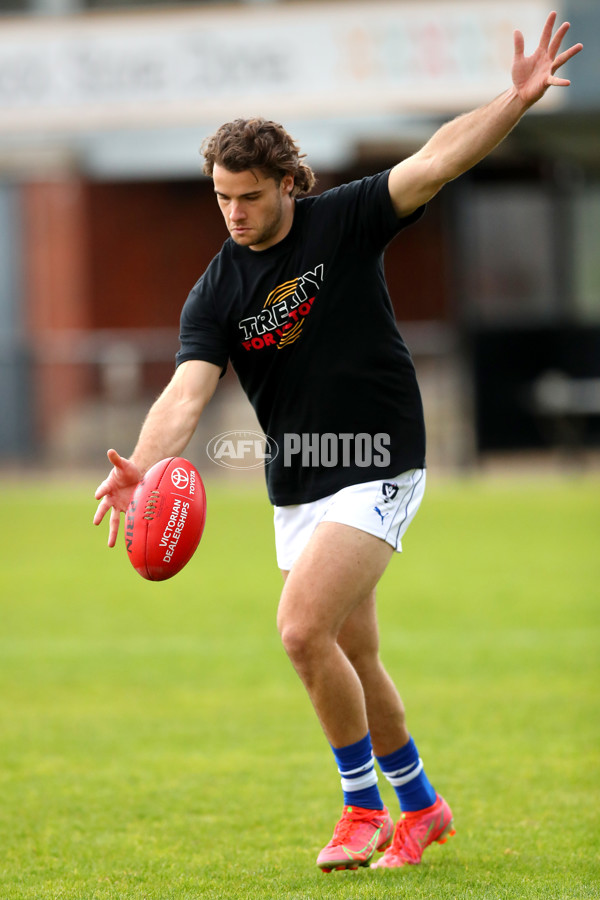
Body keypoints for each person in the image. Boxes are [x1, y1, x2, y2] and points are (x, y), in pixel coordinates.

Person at [94, 12, 582, 873]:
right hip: (299, 481)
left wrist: (514, 99)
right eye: (221, 197)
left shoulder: (345, 220)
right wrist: (144, 463)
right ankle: (422, 805)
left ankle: (361, 810)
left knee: (299, 630)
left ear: (287, 182)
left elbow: (439, 157)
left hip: (379, 456)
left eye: (248, 195)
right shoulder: (215, 292)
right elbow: (187, 392)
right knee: (354, 654)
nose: (234, 213)